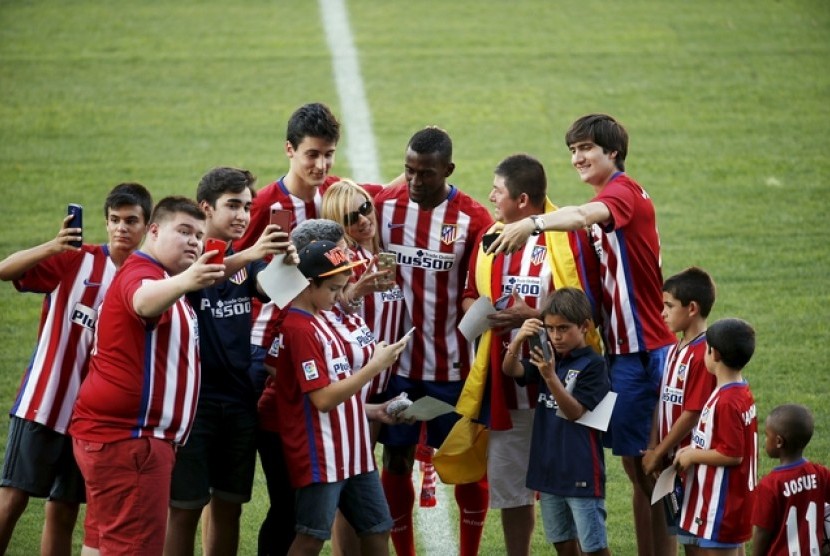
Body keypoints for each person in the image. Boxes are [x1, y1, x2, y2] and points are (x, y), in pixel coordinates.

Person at [491, 113, 676, 555]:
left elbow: (583, 215)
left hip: (647, 353)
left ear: (613, 153)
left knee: (656, 470)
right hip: (626, 354)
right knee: (641, 470)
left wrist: (533, 224)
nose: (578, 157)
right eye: (573, 150)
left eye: (587, 148)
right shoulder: (612, 196)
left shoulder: (622, 193)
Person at [459, 153, 602, 556]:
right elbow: (471, 292)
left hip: (563, 386)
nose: (490, 196)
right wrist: (481, 314)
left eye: (498, 191)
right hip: (510, 385)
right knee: (510, 490)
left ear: (522, 200)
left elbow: (589, 307)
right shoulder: (491, 236)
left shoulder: (569, 238)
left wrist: (535, 315)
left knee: (571, 489)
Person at [0, 183, 152, 556]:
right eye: (114, 220)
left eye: (131, 221)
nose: (121, 228)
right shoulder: (75, 260)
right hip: (45, 402)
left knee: (64, 507)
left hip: (93, 419)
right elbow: (5, 271)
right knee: (12, 499)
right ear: (105, 222)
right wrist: (54, 245)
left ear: (147, 227)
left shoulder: (149, 279)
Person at [68, 196, 225, 555]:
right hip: (132, 442)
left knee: (101, 544)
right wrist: (186, 280)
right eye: (183, 231)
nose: (193, 242)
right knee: (134, 547)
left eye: (199, 235)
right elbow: (142, 302)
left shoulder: (160, 277)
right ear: (153, 231)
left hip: (117, 440)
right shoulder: (145, 274)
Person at [375, 125, 495, 556]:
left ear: (448, 170)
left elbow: (481, 292)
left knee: (464, 466)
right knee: (395, 461)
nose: (414, 181)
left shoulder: (473, 219)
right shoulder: (384, 207)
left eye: (425, 173)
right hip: (397, 369)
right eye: (408, 171)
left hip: (453, 369)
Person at [163, 168, 293, 556]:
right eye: (232, 205)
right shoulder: (182, 262)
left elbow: (285, 294)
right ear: (205, 208)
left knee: (229, 506)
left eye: (248, 207)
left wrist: (289, 260)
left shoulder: (247, 263)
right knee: (184, 509)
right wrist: (253, 252)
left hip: (239, 402)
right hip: (195, 405)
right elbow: (205, 275)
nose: (242, 215)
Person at [261, 240, 410, 556]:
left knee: (378, 528)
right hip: (323, 455)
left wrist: (373, 410)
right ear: (308, 283)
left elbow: (338, 388)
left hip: (354, 452)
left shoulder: (321, 318)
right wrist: (374, 366)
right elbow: (323, 400)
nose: (339, 296)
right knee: (311, 536)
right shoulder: (299, 328)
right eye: (333, 288)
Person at [321, 179, 405, 554]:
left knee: (362, 474)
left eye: (366, 207)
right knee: (352, 482)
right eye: (351, 216)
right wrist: (355, 292)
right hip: (356, 383)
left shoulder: (382, 255)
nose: (363, 219)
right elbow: (323, 314)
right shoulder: (342, 263)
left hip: (383, 379)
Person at [501, 288, 611, 556]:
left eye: (563, 328)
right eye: (550, 329)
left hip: (581, 472)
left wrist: (550, 377)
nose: (556, 336)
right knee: (562, 544)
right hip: (549, 470)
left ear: (584, 326)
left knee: (594, 548)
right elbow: (511, 369)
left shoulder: (594, 365)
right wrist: (517, 342)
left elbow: (575, 412)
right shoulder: (551, 359)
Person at [642, 266, 719, 554]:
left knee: (698, 543)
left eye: (668, 306)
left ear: (692, 309)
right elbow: (663, 400)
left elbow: (693, 412)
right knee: (686, 537)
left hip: (693, 463)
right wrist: (654, 447)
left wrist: (659, 451)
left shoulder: (704, 354)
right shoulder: (676, 347)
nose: (662, 313)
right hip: (672, 460)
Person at [673, 318, 758, 554]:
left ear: (715, 354)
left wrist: (692, 456)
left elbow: (732, 454)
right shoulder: (737, 390)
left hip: (724, 504)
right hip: (729, 500)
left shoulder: (728, 402)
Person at [750, 404, 830, 556]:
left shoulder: (770, 485)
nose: (765, 440)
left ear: (779, 442)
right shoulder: (820, 473)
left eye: (767, 435)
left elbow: (761, 531)